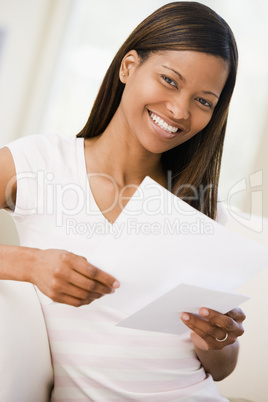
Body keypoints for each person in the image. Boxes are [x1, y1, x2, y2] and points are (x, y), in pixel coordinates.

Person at [0, 2, 246, 401]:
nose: (180, 110)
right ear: (129, 66)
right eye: (169, 80)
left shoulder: (199, 204)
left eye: (204, 101)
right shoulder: (39, 163)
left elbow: (220, 369)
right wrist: (29, 263)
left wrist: (217, 340)